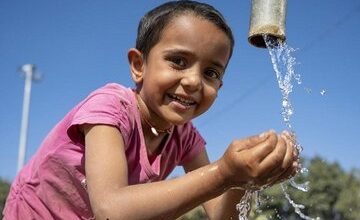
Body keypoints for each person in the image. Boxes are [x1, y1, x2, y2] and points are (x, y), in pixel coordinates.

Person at [3, 1, 299, 219]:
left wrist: (243, 181)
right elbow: (111, 209)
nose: (194, 81)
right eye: (178, 61)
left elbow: (221, 215)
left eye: (211, 73)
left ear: (219, 86)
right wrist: (223, 173)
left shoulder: (186, 137)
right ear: (138, 65)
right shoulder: (110, 108)